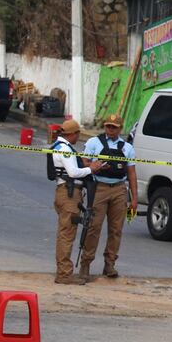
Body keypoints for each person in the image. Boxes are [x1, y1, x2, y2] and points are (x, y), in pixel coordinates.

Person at [78, 114, 138, 279]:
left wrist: (134, 198)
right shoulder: (94, 143)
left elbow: (132, 173)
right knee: (93, 227)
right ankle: (85, 264)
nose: (110, 129)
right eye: (108, 126)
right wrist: (93, 165)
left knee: (116, 229)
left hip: (119, 189)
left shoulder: (127, 148)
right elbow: (83, 162)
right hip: (99, 187)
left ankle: (110, 264)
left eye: (114, 127)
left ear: (120, 128)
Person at [52, 119, 107, 285]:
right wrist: (92, 169)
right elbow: (73, 172)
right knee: (66, 235)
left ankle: (64, 272)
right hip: (68, 194)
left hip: (67, 193)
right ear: (72, 134)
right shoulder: (64, 149)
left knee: (66, 233)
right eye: (77, 134)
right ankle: (64, 274)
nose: (78, 137)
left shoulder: (60, 146)